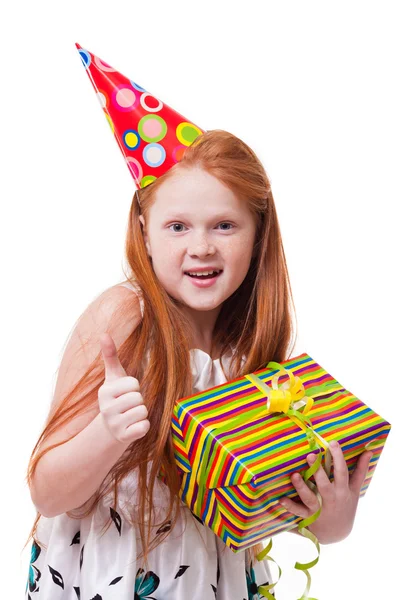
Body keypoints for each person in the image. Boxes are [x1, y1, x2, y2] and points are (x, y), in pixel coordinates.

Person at [24, 47, 373, 600]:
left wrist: (334, 519)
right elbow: (46, 492)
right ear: (143, 230)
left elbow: (275, 509)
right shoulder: (124, 316)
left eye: (225, 225)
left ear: (259, 233)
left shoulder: (253, 351)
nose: (202, 247)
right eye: (178, 226)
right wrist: (106, 433)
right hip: (114, 582)